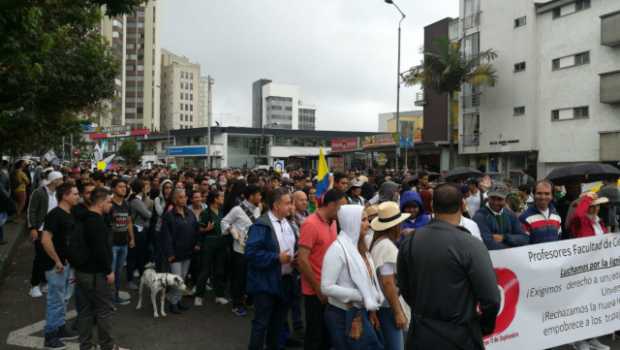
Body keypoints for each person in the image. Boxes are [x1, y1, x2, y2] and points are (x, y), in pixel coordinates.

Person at [397, 183, 501, 350]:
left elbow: (404, 286)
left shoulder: (410, 240)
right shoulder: (471, 245)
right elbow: (491, 299)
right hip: (460, 336)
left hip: (422, 334)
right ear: (462, 205)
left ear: (431, 206)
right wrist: (483, 327)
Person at [321, 205, 384, 349]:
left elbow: (368, 279)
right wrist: (358, 294)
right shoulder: (336, 249)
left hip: (359, 312)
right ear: (351, 222)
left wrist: (371, 306)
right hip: (342, 314)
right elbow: (326, 287)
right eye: (363, 220)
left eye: (367, 219)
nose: (368, 224)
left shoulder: (360, 246)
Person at [75, 187, 129, 350]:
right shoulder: (96, 221)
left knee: (84, 311)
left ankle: (86, 345)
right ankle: (108, 346)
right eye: (108, 202)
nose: (111, 205)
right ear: (101, 202)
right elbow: (100, 250)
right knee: (104, 310)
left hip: (82, 271)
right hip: (96, 274)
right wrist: (108, 270)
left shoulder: (81, 217)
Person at [246, 188, 297, 350]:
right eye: (288, 203)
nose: (291, 207)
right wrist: (276, 258)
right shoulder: (261, 225)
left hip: (285, 282)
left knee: (278, 323)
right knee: (261, 324)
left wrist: (295, 260)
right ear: (276, 205)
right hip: (265, 283)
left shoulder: (287, 223)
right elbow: (251, 254)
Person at [297, 189, 346, 350]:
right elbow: (302, 260)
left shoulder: (333, 222)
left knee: (328, 335)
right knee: (315, 336)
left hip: (330, 290)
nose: (342, 213)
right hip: (315, 292)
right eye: (341, 208)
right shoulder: (310, 224)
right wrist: (318, 289)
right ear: (331, 205)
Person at [40, 182, 80, 349]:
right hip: (56, 266)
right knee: (55, 300)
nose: (78, 196)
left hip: (66, 264)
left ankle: (61, 327)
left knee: (62, 299)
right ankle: (50, 336)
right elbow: (45, 239)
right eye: (75, 194)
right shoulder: (55, 215)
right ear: (65, 195)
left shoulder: (69, 213)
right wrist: (57, 260)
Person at [569, 192, 610, 350]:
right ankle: (580, 340)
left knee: (595, 304)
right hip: (583, 270)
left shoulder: (600, 223)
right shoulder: (579, 221)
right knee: (583, 305)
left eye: (596, 206)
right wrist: (586, 199)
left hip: (599, 270)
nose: (594, 209)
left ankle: (593, 338)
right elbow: (578, 213)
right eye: (591, 207)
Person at [370, 201, 411, 350]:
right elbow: (388, 283)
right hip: (389, 307)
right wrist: (398, 312)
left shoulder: (379, 242)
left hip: (385, 306)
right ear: (395, 226)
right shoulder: (386, 246)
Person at [221, 185, 262, 316]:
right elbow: (224, 222)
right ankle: (237, 304)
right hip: (240, 250)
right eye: (258, 195)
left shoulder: (257, 209)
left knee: (252, 276)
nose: (260, 197)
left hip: (254, 249)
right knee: (239, 278)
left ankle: (249, 300)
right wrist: (231, 230)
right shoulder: (237, 210)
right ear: (251, 196)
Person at [161, 189, 199, 314]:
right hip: (175, 254)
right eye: (181, 197)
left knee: (182, 279)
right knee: (177, 280)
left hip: (187, 252)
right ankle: (173, 304)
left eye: (185, 197)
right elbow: (166, 236)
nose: (185, 199)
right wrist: (170, 253)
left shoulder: (189, 213)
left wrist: (197, 243)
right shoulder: (169, 216)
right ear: (175, 199)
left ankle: (176, 300)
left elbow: (195, 229)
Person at [27, 171, 64, 298]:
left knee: (50, 257)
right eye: (60, 179)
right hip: (40, 229)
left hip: (53, 231)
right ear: (54, 180)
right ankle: (34, 285)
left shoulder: (58, 193)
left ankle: (45, 282)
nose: (62, 182)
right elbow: (31, 210)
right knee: (40, 257)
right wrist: (32, 228)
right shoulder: (39, 192)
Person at [473, 182, 529, 250]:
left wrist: (504, 238)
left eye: (499, 199)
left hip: (510, 257)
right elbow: (488, 244)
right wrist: (513, 245)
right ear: (488, 197)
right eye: (493, 198)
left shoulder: (510, 215)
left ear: (505, 200)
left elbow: (524, 238)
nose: (495, 202)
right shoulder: (480, 216)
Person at [195, 190, 228, 306]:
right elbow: (199, 230)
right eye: (221, 196)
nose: (223, 198)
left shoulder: (221, 211)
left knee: (219, 271)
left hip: (221, 244)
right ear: (215, 199)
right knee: (205, 271)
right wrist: (206, 230)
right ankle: (199, 296)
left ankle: (219, 295)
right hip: (208, 244)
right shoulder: (205, 213)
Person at [108, 179, 135, 305]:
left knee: (118, 272)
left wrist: (132, 238)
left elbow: (129, 221)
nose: (123, 189)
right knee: (111, 273)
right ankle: (108, 299)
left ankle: (116, 296)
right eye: (120, 186)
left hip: (123, 243)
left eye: (125, 187)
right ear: (113, 189)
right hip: (112, 244)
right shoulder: (109, 204)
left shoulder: (126, 204)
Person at [127, 179, 152, 290]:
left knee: (139, 255)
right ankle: (130, 279)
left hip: (139, 229)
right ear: (142, 189)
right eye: (146, 186)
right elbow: (148, 215)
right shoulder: (136, 201)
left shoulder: (136, 199)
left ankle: (139, 277)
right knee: (135, 255)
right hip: (138, 230)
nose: (148, 188)